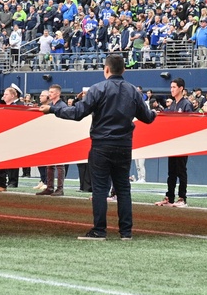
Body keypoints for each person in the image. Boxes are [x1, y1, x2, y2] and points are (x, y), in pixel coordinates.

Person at [42, 54, 156, 240]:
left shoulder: (97, 89)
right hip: (124, 145)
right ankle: (126, 232)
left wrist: (53, 109)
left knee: (100, 189)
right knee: (123, 188)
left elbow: (78, 113)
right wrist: (154, 113)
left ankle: (99, 230)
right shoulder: (133, 91)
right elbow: (148, 118)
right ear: (124, 70)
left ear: (106, 69)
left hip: (101, 145)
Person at [155, 77, 194, 208]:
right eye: (171, 87)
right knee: (171, 171)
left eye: (174, 87)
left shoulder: (186, 104)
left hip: (183, 143)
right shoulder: (172, 105)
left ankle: (182, 198)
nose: (171, 89)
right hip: (173, 143)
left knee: (181, 171)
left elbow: (190, 124)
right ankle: (169, 197)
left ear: (181, 88)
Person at [37, 84, 68, 196]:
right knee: (49, 164)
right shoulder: (50, 105)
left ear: (58, 93)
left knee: (59, 164)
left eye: (52, 92)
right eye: (49, 92)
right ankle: (50, 187)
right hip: (51, 136)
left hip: (59, 137)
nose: (50, 94)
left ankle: (60, 188)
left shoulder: (62, 106)